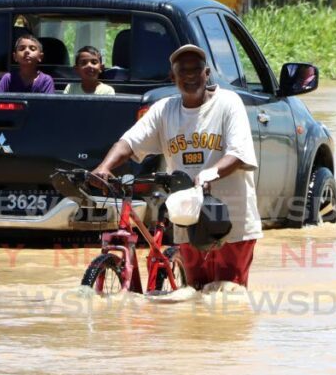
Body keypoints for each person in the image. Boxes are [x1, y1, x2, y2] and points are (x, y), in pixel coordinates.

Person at [92, 44, 262, 288]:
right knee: (195, 293)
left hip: (230, 220)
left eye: (196, 70)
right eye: (183, 71)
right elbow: (129, 142)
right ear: (173, 77)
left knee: (228, 294)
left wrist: (209, 173)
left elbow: (238, 153)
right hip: (188, 218)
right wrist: (104, 167)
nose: (190, 76)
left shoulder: (228, 103)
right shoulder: (164, 110)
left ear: (207, 74)